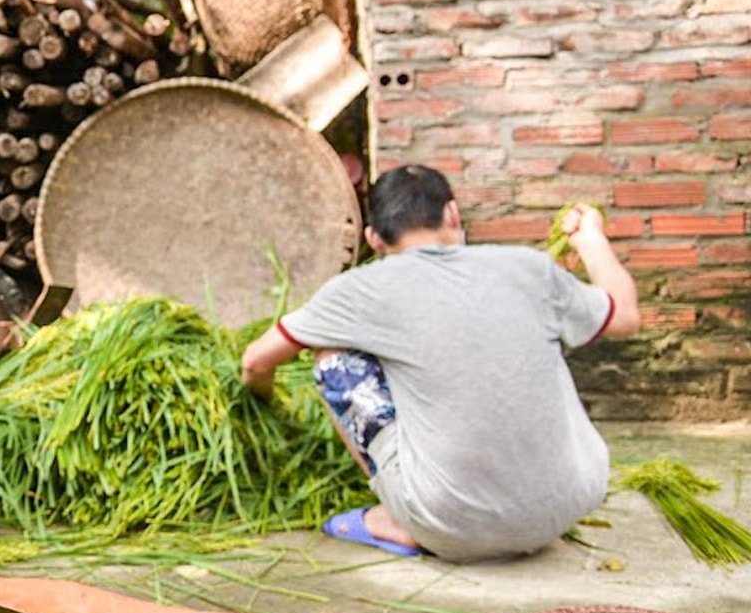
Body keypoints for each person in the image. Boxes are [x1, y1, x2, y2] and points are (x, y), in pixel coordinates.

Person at [239, 165, 640, 561]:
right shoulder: (528, 267)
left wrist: (271, 411)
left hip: (451, 524)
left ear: (374, 239)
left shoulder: (359, 289)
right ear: (452, 214)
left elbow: (255, 362)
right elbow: (624, 316)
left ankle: (400, 519)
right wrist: (590, 239)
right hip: (571, 503)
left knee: (333, 358)